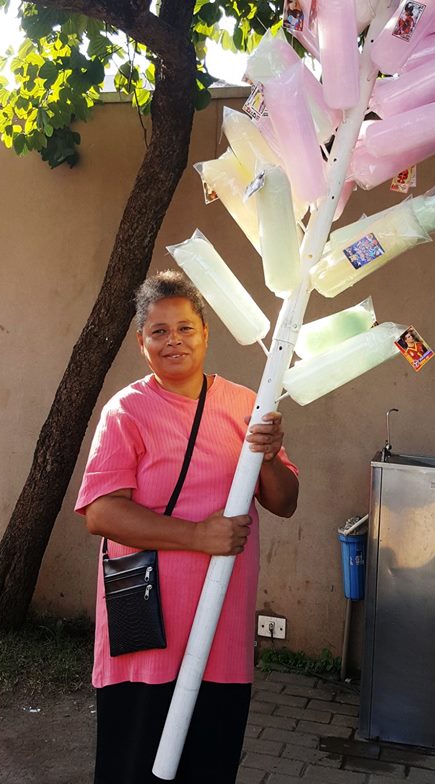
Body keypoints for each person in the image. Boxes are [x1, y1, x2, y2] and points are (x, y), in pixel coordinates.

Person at [75, 270, 299, 784]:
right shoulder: (126, 412)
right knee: (132, 766)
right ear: (141, 342)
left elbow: (285, 501)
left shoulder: (247, 405)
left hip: (223, 629)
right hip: (146, 630)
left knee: (209, 765)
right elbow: (101, 514)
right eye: (159, 331)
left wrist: (265, 456)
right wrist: (199, 537)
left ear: (206, 334)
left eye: (185, 328)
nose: (173, 340)